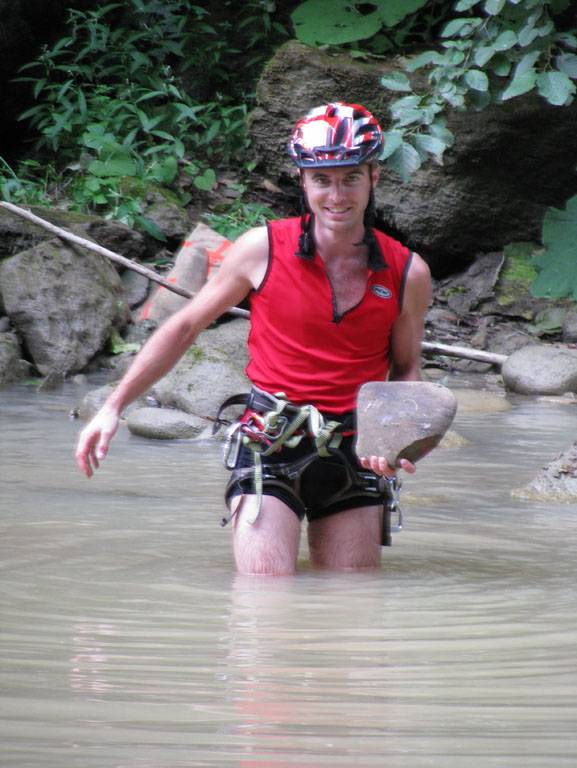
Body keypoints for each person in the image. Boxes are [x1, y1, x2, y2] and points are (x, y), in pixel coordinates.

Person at [75, 102, 432, 576]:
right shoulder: (261, 250)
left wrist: (395, 441)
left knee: (354, 604)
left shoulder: (408, 272)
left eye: (351, 178)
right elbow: (184, 326)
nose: (336, 195)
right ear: (303, 181)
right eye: (322, 180)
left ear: (374, 177)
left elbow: (405, 369)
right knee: (264, 598)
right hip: (270, 444)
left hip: (354, 451)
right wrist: (113, 406)